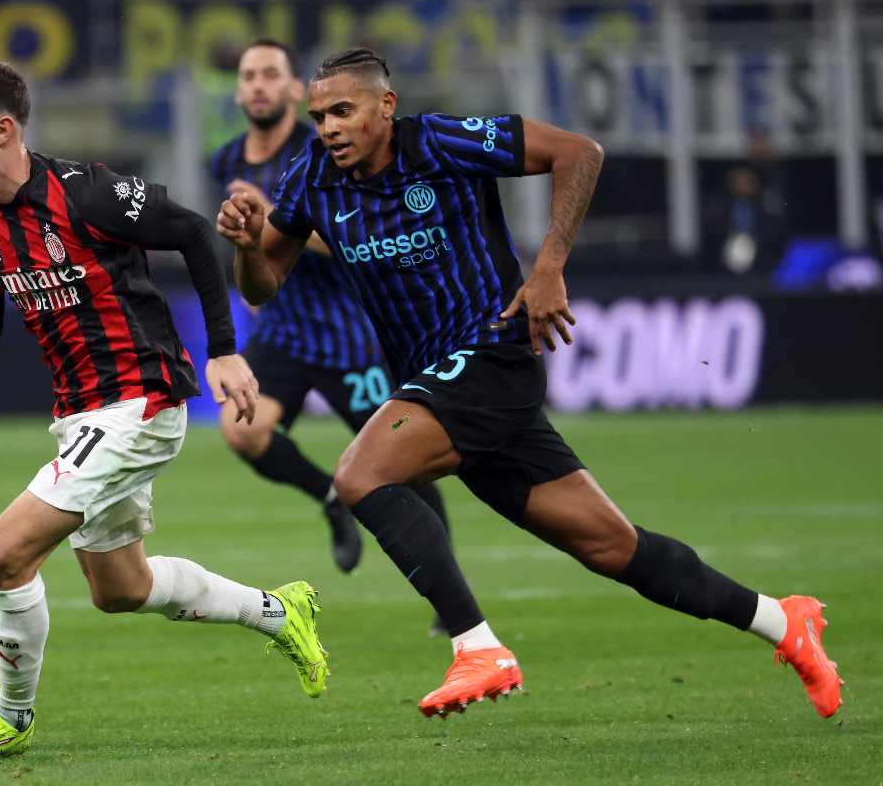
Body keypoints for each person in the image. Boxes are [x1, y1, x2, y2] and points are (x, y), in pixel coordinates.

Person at [217, 48, 842, 720]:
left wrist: (549, 266)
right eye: (319, 115)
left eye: (343, 110)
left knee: (360, 476)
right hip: (439, 381)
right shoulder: (313, 173)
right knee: (612, 547)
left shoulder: (438, 143)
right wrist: (250, 247)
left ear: (385, 106)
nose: (329, 127)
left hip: (491, 356)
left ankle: (476, 646)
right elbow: (262, 287)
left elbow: (580, 152)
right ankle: (783, 620)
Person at [0, 58, 329, 761]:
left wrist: (225, 350)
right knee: (121, 588)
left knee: (5, 551)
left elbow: (196, 233)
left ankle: (10, 718)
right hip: (81, 413)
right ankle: (277, 609)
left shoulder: (86, 194)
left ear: (4, 130)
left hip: (139, 401)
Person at [212, 39, 452, 593]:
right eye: (249, 76)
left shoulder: (327, 146)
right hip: (284, 334)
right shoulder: (225, 160)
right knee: (241, 429)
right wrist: (250, 266)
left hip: (351, 337)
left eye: (271, 74)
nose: (258, 85)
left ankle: (446, 590)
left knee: (406, 467)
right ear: (238, 90)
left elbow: (357, 234)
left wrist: (276, 222)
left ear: (296, 90)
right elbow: (243, 237)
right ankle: (329, 496)